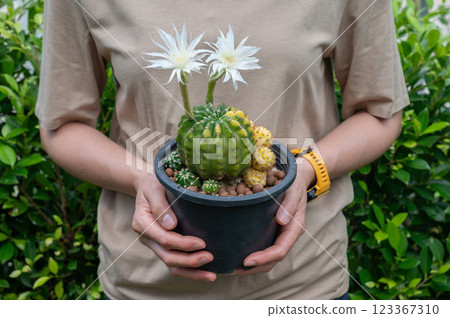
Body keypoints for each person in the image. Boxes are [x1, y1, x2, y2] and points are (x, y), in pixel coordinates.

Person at [36, 0, 409, 299]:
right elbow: (62, 125)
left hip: (302, 286)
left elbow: (379, 113)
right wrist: (141, 179)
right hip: (144, 289)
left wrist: (308, 173)